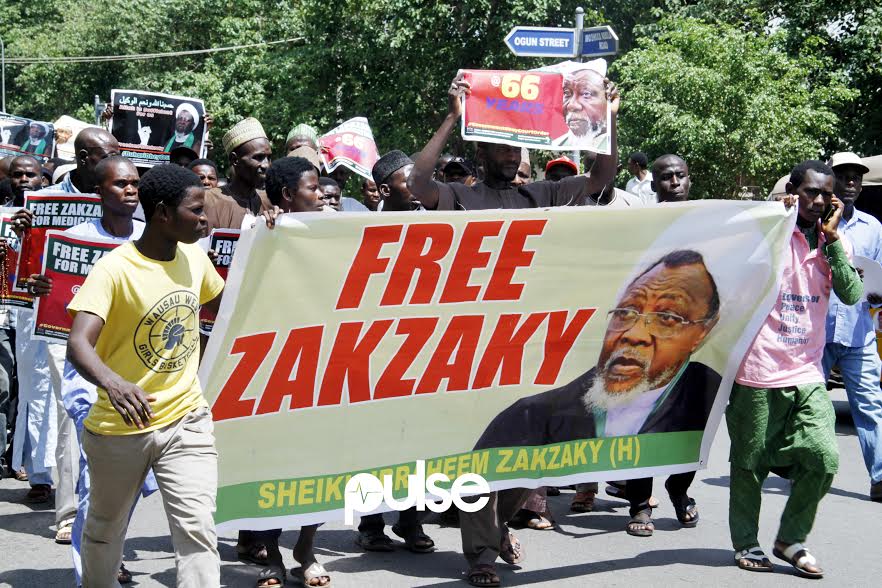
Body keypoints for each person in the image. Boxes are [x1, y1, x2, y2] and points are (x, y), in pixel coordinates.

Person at [66, 163, 224, 586]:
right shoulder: (114, 270)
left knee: (197, 530)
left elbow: (229, 307)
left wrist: (271, 238)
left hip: (186, 420)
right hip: (120, 429)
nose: (205, 219)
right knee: (103, 531)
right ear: (162, 214)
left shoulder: (194, 257)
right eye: (196, 210)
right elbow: (79, 343)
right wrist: (114, 383)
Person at [728, 160, 861, 578]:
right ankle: (746, 543)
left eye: (826, 194)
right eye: (809, 193)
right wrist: (776, 217)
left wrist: (834, 242)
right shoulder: (770, 230)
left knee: (823, 458)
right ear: (792, 191)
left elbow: (852, 293)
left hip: (806, 371)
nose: (818, 201)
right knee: (749, 464)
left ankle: (790, 539)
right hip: (757, 368)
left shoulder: (832, 242)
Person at [27, 156, 155, 585]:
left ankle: (107, 551)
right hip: (91, 378)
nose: (131, 191)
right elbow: (58, 311)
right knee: (93, 479)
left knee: (129, 486)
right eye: (121, 184)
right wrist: (44, 289)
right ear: (99, 192)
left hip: (143, 376)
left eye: (136, 184)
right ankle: (91, 573)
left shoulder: (151, 240)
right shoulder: (72, 241)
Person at [243, 156, 331, 588]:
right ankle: (273, 555)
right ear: (285, 196)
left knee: (319, 461)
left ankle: (307, 548)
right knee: (273, 465)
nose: (320, 195)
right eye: (312, 188)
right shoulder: (261, 231)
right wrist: (265, 233)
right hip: (275, 367)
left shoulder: (335, 232)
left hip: (325, 365)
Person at [408, 72, 618, 213]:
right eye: (503, 149)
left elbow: (601, 177)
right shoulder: (460, 196)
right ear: (481, 154)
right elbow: (416, 183)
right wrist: (453, 116)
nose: (512, 157)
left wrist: (610, 117)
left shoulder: (544, 195)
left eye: (516, 149)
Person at [824, 152, 882, 502]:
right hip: (820, 331)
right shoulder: (814, 220)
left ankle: (880, 476)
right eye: (843, 176)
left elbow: (878, 280)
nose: (850, 182)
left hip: (859, 330)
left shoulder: (873, 228)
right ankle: (801, 469)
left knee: (870, 405)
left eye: (856, 177)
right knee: (805, 405)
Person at [206, 117, 272, 230]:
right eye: (258, 157)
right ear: (235, 160)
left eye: (269, 158)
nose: (266, 165)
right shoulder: (209, 201)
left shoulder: (270, 201)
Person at [552, 63, 610, 152]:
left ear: (606, 98)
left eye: (586, 94)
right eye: (567, 93)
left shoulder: (608, 143)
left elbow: (606, 165)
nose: (571, 105)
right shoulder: (557, 143)